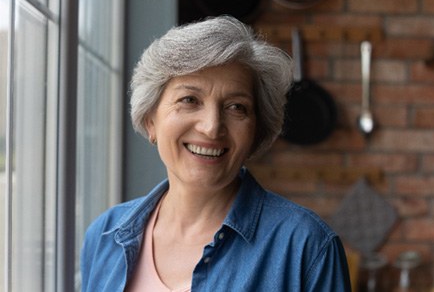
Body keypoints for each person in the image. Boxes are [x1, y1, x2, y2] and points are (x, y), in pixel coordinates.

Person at [80, 15, 351, 292]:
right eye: (189, 100)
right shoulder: (104, 236)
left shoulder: (307, 247)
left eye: (236, 107)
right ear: (151, 120)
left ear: (256, 131)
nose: (212, 128)